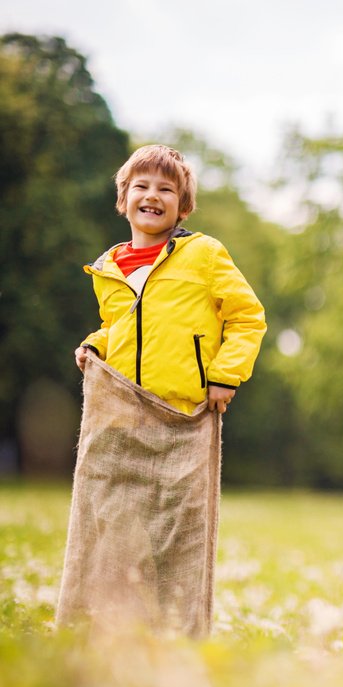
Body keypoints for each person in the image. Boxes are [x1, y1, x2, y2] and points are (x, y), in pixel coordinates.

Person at [58, 144, 266, 638]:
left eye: (166, 190)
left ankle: (174, 632)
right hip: (124, 415)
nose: (152, 196)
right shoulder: (108, 268)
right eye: (142, 186)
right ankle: (104, 626)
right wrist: (95, 343)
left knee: (176, 532)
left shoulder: (204, 254)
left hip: (183, 414)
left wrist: (224, 374)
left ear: (183, 206)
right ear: (123, 198)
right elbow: (121, 328)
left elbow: (246, 317)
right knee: (113, 526)